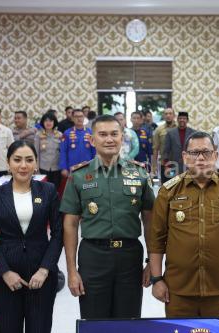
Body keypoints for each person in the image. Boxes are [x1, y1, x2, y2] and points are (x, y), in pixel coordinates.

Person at [148, 131, 219, 317]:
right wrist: (157, 279)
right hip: (179, 290)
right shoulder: (168, 192)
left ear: (216, 155)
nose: (201, 158)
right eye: (194, 153)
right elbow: (157, 240)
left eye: (206, 152)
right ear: (185, 157)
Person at [60, 115, 155, 319]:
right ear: (92, 140)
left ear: (122, 138)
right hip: (93, 257)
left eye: (114, 134)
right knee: (94, 321)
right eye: (102, 134)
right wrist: (72, 270)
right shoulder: (78, 176)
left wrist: (151, 262)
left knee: (128, 322)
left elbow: (150, 221)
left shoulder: (139, 174)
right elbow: (70, 225)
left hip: (130, 257)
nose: (109, 139)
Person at [0, 140, 63, 333]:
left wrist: (44, 270)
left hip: (41, 277)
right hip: (5, 279)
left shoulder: (48, 191)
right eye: (17, 160)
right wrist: (5, 272)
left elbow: (58, 234)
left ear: (35, 164)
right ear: (8, 163)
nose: (23, 165)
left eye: (29, 160)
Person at [59, 109, 95, 178]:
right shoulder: (66, 133)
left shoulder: (90, 132)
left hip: (88, 168)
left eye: (81, 116)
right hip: (72, 168)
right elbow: (63, 151)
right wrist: (63, 168)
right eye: (76, 116)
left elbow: (94, 150)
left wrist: (96, 166)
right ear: (72, 118)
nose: (79, 118)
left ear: (84, 117)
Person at [162, 111, 195, 179]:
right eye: (180, 118)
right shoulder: (170, 133)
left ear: (187, 120)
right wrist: (166, 165)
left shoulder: (193, 133)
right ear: (177, 120)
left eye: (184, 118)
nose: (182, 120)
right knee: (175, 186)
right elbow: (166, 151)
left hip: (189, 165)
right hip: (174, 165)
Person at [34, 112, 63, 189]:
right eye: (46, 121)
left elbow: (63, 152)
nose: (48, 123)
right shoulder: (38, 135)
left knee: (55, 189)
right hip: (43, 168)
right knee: (44, 190)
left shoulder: (60, 135)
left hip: (57, 168)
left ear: (54, 122)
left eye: (51, 121)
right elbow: (36, 153)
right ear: (43, 122)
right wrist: (36, 169)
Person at [152, 108, 176, 182]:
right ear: (163, 116)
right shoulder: (159, 130)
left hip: (178, 164)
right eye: (166, 114)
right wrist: (154, 166)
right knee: (166, 187)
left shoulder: (179, 128)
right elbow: (155, 149)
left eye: (170, 113)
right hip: (165, 164)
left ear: (174, 115)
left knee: (179, 188)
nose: (168, 115)